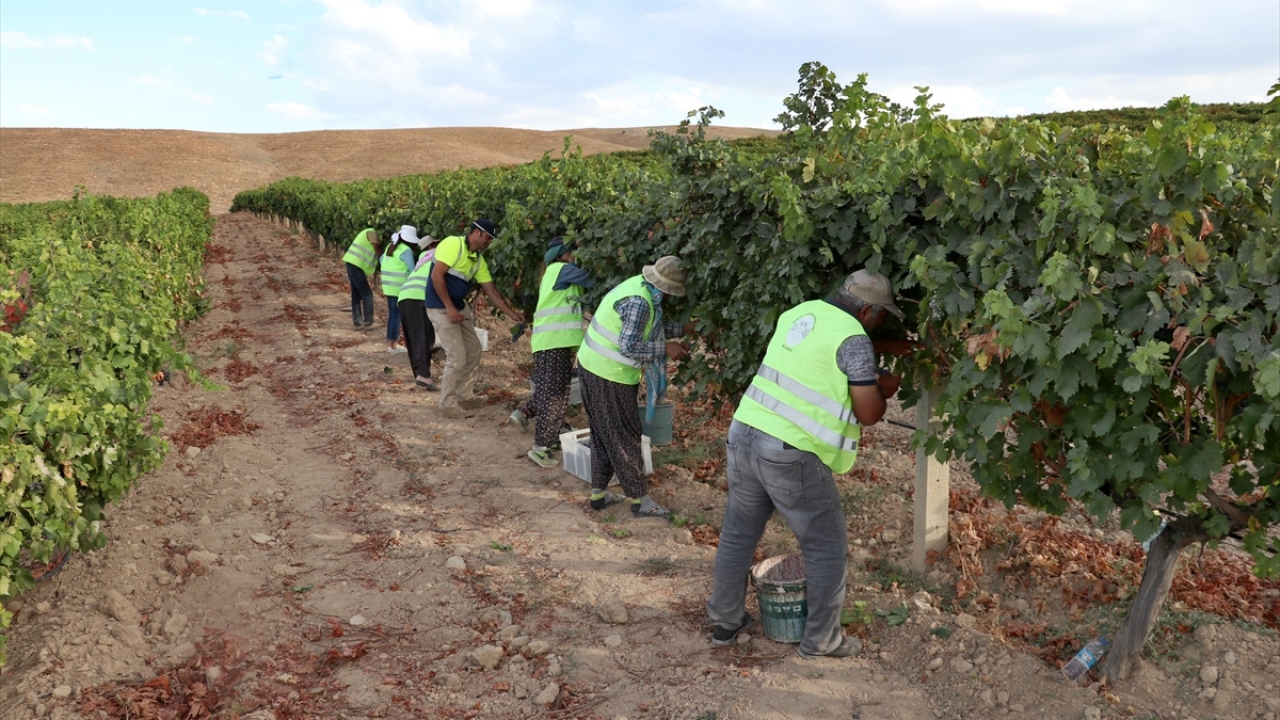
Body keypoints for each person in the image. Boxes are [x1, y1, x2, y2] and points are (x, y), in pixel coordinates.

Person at [705, 268, 916, 659]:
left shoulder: (800, 312)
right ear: (867, 310)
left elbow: (820, 357)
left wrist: (881, 348)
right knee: (826, 547)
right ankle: (822, 640)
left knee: (738, 533)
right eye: (881, 316)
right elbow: (869, 413)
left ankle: (725, 621)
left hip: (745, 432)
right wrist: (885, 388)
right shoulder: (854, 341)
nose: (878, 323)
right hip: (787, 452)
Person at [576, 255, 696, 517]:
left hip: (592, 366)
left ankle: (598, 494)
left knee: (602, 432)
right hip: (608, 374)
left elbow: (648, 327)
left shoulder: (639, 287)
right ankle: (640, 500)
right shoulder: (641, 302)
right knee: (625, 435)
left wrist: (685, 328)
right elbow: (630, 347)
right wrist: (666, 347)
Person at [425, 219, 525, 419]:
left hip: (458, 308)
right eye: (488, 237)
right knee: (457, 357)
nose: (489, 242)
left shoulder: (477, 261)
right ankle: (447, 404)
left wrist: (513, 314)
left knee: (473, 350)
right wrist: (450, 308)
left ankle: (465, 395)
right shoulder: (453, 244)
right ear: (477, 233)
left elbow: (492, 291)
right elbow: (437, 276)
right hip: (441, 307)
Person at [511, 238, 594, 467]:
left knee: (557, 391)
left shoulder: (555, 271)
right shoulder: (563, 270)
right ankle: (540, 448)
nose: (575, 256)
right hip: (554, 342)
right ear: (564, 255)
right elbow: (592, 278)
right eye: (573, 252)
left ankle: (548, 434)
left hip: (555, 341)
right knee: (553, 396)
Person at [396, 232, 441, 391]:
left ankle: (421, 375)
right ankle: (423, 375)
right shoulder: (438, 256)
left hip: (404, 296)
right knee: (423, 336)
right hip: (419, 296)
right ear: (432, 246)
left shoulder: (422, 260)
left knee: (413, 338)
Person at [379, 225, 420, 353]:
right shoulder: (406, 250)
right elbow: (412, 269)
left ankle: (391, 344)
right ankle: (394, 346)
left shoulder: (390, 247)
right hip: (400, 288)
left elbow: (381, 260)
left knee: (392, 315)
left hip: (388, 286)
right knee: (397, 316)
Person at [342, 227, 381, 330]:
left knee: (356, 294)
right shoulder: (372, 233)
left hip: (351, 263)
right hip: (356, 265)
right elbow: (378, 251)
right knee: (367, 294)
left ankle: (358, 322)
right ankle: (369, 322)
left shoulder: (367, 231)